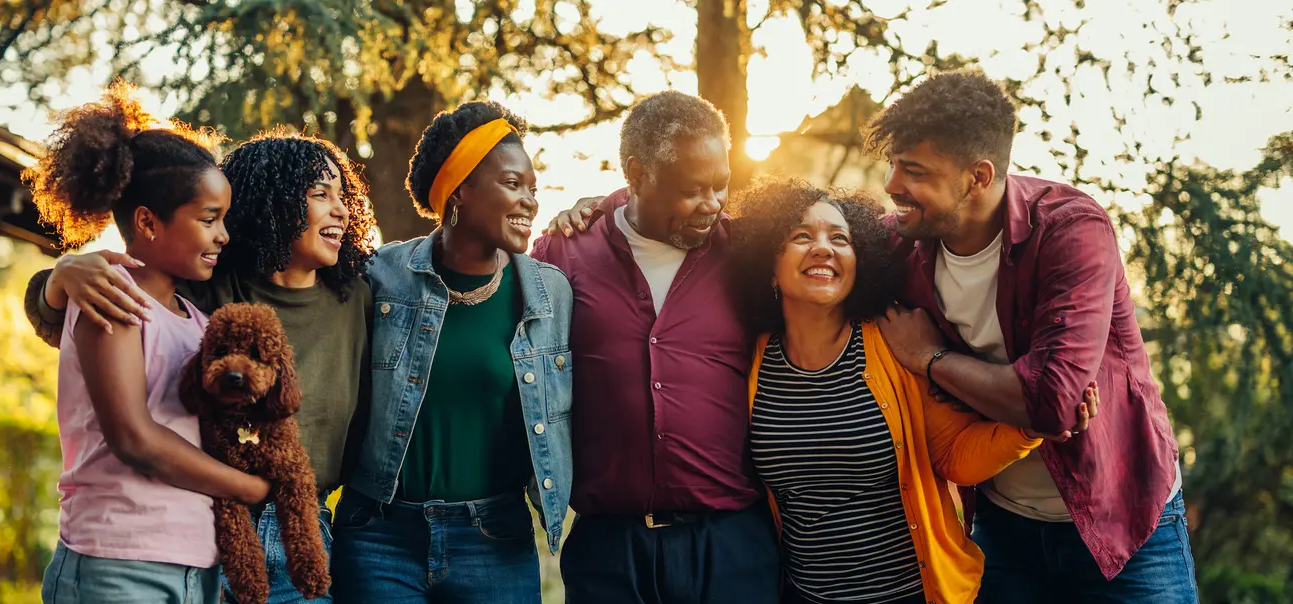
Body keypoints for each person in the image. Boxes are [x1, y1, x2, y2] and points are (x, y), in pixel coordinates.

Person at [866, 69, 1195, 602]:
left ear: (977, 176)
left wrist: (930, 358)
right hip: (1002, 528)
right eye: (893, 166)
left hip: (1125, 521)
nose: (892, 185)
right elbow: (804, 245)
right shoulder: (901, 243)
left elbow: (1052, 403)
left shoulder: (1070, 229)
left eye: (914, 171)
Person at [23, 128, 378, 603]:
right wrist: (62, 275)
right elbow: (79, 324)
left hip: (292, 525)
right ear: (270, 204)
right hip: (209, 520)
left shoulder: (358, 294)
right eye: (320, 194)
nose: (341, 208)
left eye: (342, 195)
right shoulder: (204, 288)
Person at [729, 178, 1099, 604]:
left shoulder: (893, 343)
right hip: (804, 596)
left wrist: (1032, 427)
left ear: (859, 260)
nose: (823, 248)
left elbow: (956, 455)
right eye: (800, 236)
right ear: (769, 265)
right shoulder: (754, 362)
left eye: (839, 238)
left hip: (914, 595)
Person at [531, 90, 780, 604]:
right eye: (694, 190)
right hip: (608, 548)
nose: (712, 204)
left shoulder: (747, 253)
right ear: (638, 174)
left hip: (732, 542)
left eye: (721, 186)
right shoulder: (562, 252)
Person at [25, 83, 269, 604]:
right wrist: (248, 487)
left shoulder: (200, 322)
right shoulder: (110, 302)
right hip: (116, 562)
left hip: (194, 565)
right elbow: (134, 438)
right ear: (147, 223)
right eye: (209, 219)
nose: (223, 235)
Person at [331, 100, 573, 604]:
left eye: (533, 188)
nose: (529, 200)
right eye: (512, 184)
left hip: (493, 540)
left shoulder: (551, 293)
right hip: (379, 534)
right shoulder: (379, 276)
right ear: (459, 191)